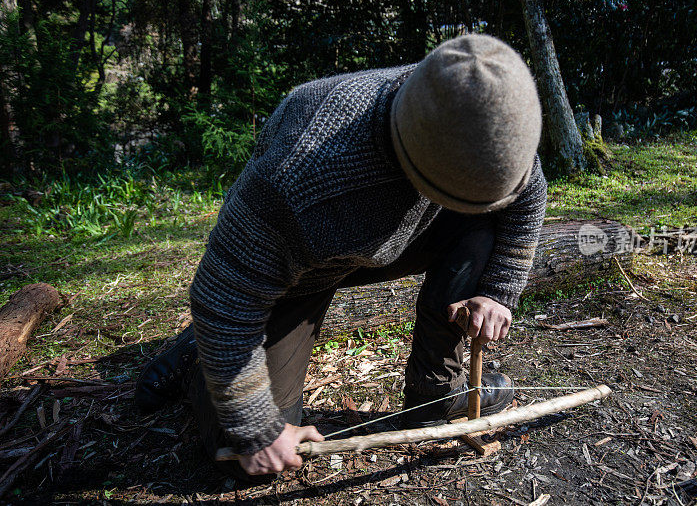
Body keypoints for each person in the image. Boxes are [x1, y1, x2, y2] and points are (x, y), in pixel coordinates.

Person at [134, 34, 547, 480]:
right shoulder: (300, 173)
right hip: (299, 267)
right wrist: (255, 427)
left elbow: (529, 194)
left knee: (483, 231)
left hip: (385, 234)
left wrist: (498, 289)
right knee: (245, 455)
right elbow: (222, 292)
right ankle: (199, 352)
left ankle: (436, 392)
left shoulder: (484, 119)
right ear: (421, 173)